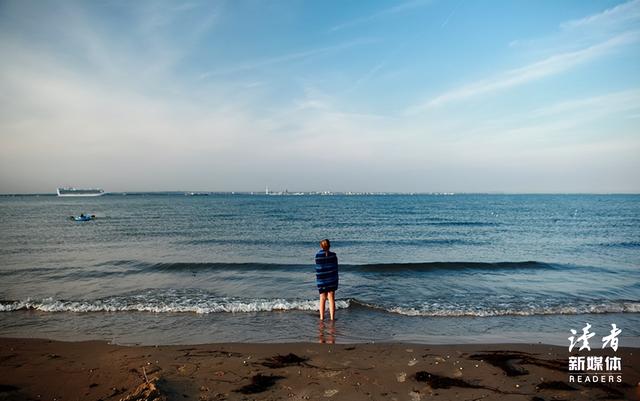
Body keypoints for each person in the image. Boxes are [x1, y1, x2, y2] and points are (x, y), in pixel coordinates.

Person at [314, 239, 339, 320]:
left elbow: (318, 267)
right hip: (332, 279)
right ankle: (332, 318)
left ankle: (321, 317)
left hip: (321, 279)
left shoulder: (318, 255)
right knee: (331, 298)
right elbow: (335, 267)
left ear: (321, 246)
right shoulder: (333, 255)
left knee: (322, 298)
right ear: (329, 245)